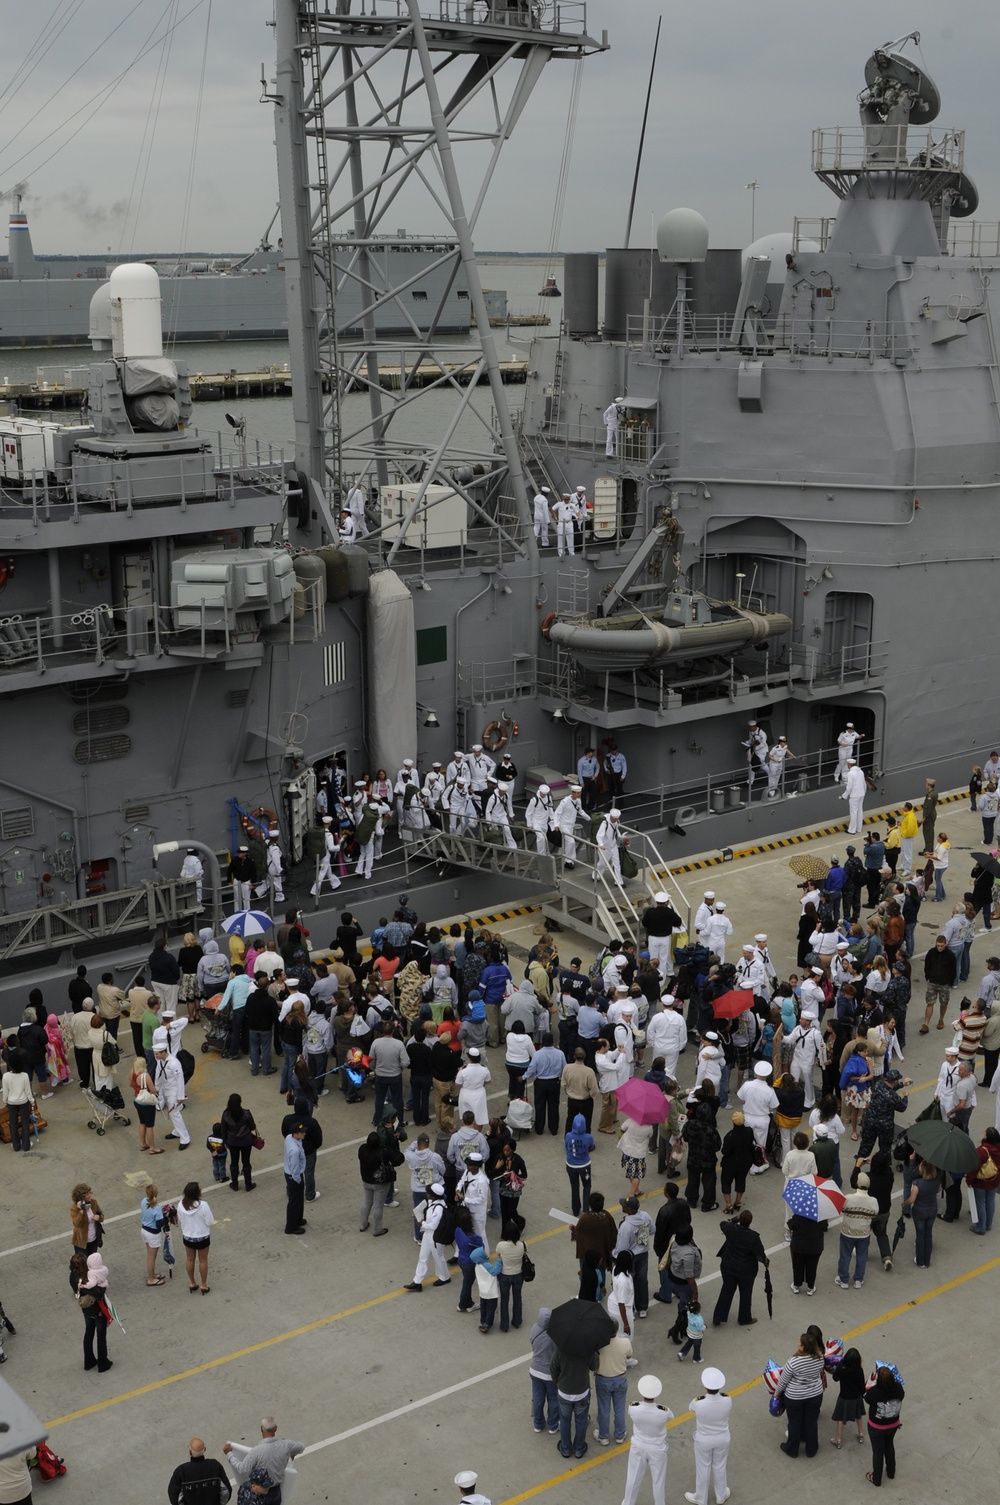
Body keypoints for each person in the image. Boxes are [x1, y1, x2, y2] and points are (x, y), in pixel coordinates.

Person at [711, 1209, 768, 1328]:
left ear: (739, 1219)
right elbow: (759, 1254)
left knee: (727, 1290)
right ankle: (744, 1318)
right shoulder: (753, 1237)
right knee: (745, 1294)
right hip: (746, 1271)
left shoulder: (730, 1229)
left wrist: (733, 1219)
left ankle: (718, 1316)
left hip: (728, 1266)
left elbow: (722, 1224)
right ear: (750, 1222)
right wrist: (765, 1261)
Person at [223, 1421, 304, 1505]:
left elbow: (242, 1468)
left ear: (261, 1429)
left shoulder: (256, 1452)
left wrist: (229, 1454)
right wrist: (291, 1455)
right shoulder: (286, 1445)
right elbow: (301, 1447)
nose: (267, 1489)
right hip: (275, 1491)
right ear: (275, 1428)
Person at [621, 1373, 672, 1505]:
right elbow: (670, 1416)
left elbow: (630, 1413)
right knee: (658, 1481)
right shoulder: (663, 1411)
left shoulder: (634, 1407)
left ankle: (628, 1503)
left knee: (633, 1478)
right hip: (657, 1448)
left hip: (638, 1445)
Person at [774, 1330, 826, 1458]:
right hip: (815, 1394)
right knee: (812, 1422)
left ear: (803, 1347)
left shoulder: (793, 1362)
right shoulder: (820, 1358)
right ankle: (811, 1449)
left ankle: (792, 1449)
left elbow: (783, 1381)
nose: (797, 1343)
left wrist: (776, 1394)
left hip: (795, 1397)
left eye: (799, 1342)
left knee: (794, 1423)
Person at [550, 1339, 599, 1460]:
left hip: (564, 1392)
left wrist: (558, 1383)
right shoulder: (588, 1349)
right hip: (582, 1392)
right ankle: (579, 1448)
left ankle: (566, 1449)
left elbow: (553, 1369)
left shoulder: (560, 1349)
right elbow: (595, 1366)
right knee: (581, 1420)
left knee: (565, 1420)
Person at [835, 1170, 879, 1289]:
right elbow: (875, 1213)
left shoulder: (848, 1198)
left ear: (857, 1184)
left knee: (845, 1255)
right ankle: (858, 1279)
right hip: (863, 1233)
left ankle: (843, 1279)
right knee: (861, 1256)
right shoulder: (873, 1201)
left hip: (847, 1232)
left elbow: (842, 1209)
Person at [405, 1182, 452, 1289]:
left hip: (436, 1237)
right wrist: (423, 1228)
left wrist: (422, 1224)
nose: (427, 1194)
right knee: (423, 1257)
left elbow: (433, 1225)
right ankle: (417, 1281)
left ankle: (445, 1277)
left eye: (428, 1193)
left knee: (438, 1257)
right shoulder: (432, 1202)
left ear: (433, 1195)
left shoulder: (439, 1208)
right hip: (428, 1234)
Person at [72, 1250, 113, 1373]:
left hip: (86, 1310)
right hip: (97, 1309)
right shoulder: (87, 1276)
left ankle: (89, 1361)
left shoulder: (73, 1277)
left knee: (89, 1332)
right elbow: (99, 1292)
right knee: (101, 1335)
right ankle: (103, 1362)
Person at [866, 1365, 905, 1486]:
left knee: (878, 1452)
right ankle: (891, 1472)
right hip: (893, 1424)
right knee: (889, 1446)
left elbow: (867, 1399)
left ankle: (876, 1478)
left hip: (877, 1426)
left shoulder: (875, 1392)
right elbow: (902, 1396)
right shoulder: (898, 1388)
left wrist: (870, 1385)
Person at [903, 1159, 943, 1268]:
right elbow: (938, 1190)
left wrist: (904, 1203)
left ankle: (920, 1261)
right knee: (928, 1234)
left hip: (919, 1211)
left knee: (920, 1235)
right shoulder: (937, 1180)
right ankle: (927, 1260)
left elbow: (911, 1200)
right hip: (932, 1209)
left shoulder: (918, 1184)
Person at [154, 1033, 191, 1149]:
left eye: (157, 1054)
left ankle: (185, 1138)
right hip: (166, 1089)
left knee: (174, 1113)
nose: (156, 1056)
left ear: (164, 1052)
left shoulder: (174, 1063)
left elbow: (180, 1080)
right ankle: (176, 1131)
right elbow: (158, 1076)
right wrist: (156, 1090)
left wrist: (180, 1097)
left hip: (174, 1091)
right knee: (174, 1113)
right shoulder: (160, 1061)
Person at [167, 1439, 232, 1505]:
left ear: (190, 1452)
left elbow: (174, 1495)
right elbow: (226, 1491)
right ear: (204, 1449)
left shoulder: (181, 1471)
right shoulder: (215, 1466)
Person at [176, 1182, 214, 1292]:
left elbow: (181, 1220)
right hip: (202, 1237)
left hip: (188, 1237)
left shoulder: (180, 1205)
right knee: (203, 1261)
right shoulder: (203, 1205)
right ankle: (203, 1285)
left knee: (189, 1259)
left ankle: (192, 1282)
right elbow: (210, 1221)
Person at [830, 1346, 866, 1449]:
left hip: (844, 1396)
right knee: (858, 1415)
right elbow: (861, 1385)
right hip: (856, 1396)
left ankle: (838, 1439)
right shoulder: (859, 1370)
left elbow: (835, 1378)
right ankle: (860, 1433)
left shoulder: (842, 1367)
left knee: (840, 1418)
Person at [220, 1093, 258, 1192]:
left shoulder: (226, 1114)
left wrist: (225, 1141)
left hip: (232, 1142)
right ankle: (248, 1184)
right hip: (246, 1141)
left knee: (234, 1162)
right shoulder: (246, 1113)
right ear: (240, 1102)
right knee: (246, 1162)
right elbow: (252, 1127)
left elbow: (223, 1129)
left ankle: (235, 1184)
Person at [1, 1052, 36, 1152]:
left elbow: (5, 1091)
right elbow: (28, 1091)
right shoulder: (24, 1075)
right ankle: (26, 1145)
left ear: (10, 1064)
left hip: (11, 1103)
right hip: (24, 1102)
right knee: (25, 1123)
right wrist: (32, 1101)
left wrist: (5, 1101)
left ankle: (16, 1145)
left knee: (13, 1123)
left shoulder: (6, 1076)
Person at [565, 1112, 595, 1216]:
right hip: (584, 1165)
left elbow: (566, 1146)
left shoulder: (568, 1136)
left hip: (571, 1165)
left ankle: (575, 1209)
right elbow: (591, 1147)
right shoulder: (588, 1137)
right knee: (587, 1185)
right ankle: (586, 1209)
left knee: (574, 1186)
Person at [140, 1183, 166, 1287]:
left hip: (144, 1230)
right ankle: (151, 1279)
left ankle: (152, 1274)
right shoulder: (157, 1208)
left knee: (149, 1255)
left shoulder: (143, 1201)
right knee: (152, 1257)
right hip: (153, 1234)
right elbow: (160, 1224)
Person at [70, 1183, 105, 1255]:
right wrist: (81, 1211)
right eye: (87, 1194)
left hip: (94, 1240)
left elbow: (101, 1216)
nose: (90, 1196)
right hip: (81, 1242)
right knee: (83, 1264)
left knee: (92, 1261)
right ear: (81, 1198)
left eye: (89, 1193)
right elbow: (76, 1224)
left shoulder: (93, 1202)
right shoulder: (74, 1208)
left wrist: (99, 1217)